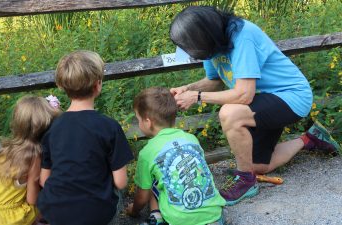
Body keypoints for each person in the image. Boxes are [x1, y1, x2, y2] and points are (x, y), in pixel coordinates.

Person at [169, 6, 341, 205]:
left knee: (230, 113)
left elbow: (243, 95)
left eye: (191, 46)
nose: (191, 52)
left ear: (204, 35)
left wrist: (197, 97)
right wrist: (186, 88)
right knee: (258, 166)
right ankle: (311, 138)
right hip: (262, 102)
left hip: (290, 97)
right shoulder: (213, 46)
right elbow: (214, 80)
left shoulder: (243, 36)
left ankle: (245, 181)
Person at [37, 50, 134, 225]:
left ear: (62, 86)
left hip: (56, 212)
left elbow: (44, 180)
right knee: (115, 196)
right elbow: (120, 182)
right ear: (98, 85)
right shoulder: (109, 127)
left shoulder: (53, 127)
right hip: (96, 214)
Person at [126, 87, 226, 225]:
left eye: (138, 119)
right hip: (215, 217)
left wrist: (133, 210)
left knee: (154, 177)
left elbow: (142, 197)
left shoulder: (148, 152)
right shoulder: (191, 139)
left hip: (180, 221)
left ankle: (157, 217)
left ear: (148, 122)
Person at [0, 95, 61, 225]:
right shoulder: (34, 157)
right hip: (12, 217)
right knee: (50, 198)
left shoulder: (9, 147)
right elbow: (32, 200)